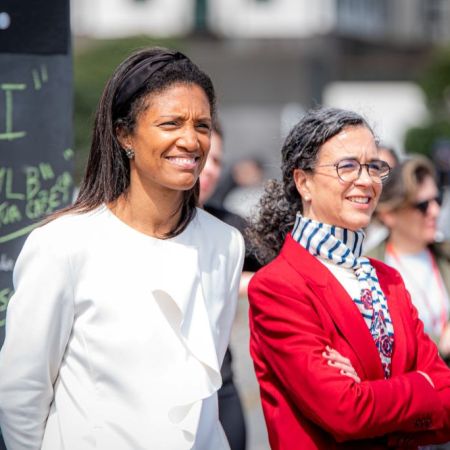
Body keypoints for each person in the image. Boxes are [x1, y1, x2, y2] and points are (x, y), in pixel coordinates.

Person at [0, 47, 245, 450]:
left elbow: (204, 379)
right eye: (170, 123)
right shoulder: (63, 244)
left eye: (201, 125)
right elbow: (21, 394)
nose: (190, 140)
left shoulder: (225, 244)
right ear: (124, 134)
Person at [246, 107, 450, 449]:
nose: (366, 180)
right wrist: (422, 384)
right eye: (348, 166)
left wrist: (368, 392)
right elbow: (345, 411)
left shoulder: (387, 278)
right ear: (304, 182)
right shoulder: (278, 286)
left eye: (374, 166)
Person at [199, 123, 252, 450]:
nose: (208, 169)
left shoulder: (232, 229)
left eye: (217, 160)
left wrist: (243, 282)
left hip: (221, 382)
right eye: (201, 157)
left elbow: (285, 276)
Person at [367, 156, 450, 362]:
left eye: (438, 199)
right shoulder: (368, 271)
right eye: (422, 205)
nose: (435, 211)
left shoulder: (445, 254)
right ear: (389, 214)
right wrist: (440, 343)